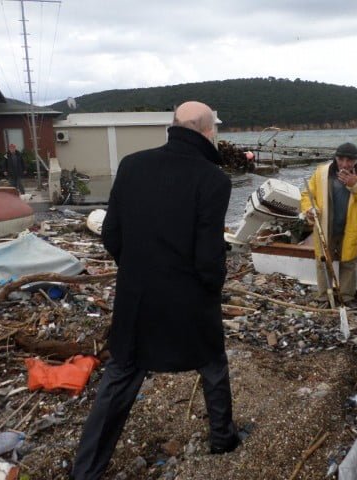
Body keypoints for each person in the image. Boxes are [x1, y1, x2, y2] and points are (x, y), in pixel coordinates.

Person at [71, 101, 239, 480]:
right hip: (190, 297)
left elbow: (111, 234)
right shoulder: (213, 179)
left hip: (138, 294)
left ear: (174, 125)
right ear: (207, 132)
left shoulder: (132, 165)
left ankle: (87, 471)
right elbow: (208, 254)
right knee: (212, 362)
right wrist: (212, 287)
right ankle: (223, 438)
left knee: (121, 374)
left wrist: (137, 269)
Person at [301, 142, 357, 304]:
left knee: (348, 262)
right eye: (341, 159)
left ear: (356, 161)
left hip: (349, 227)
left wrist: (355, 185)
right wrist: (309, 209)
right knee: (323, 261)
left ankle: (347, 297)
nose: (344, 164)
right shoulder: (322, 172)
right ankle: (324, 296)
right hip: (325, 225)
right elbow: (308, 194)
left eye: (349, 161)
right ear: (335, 157)